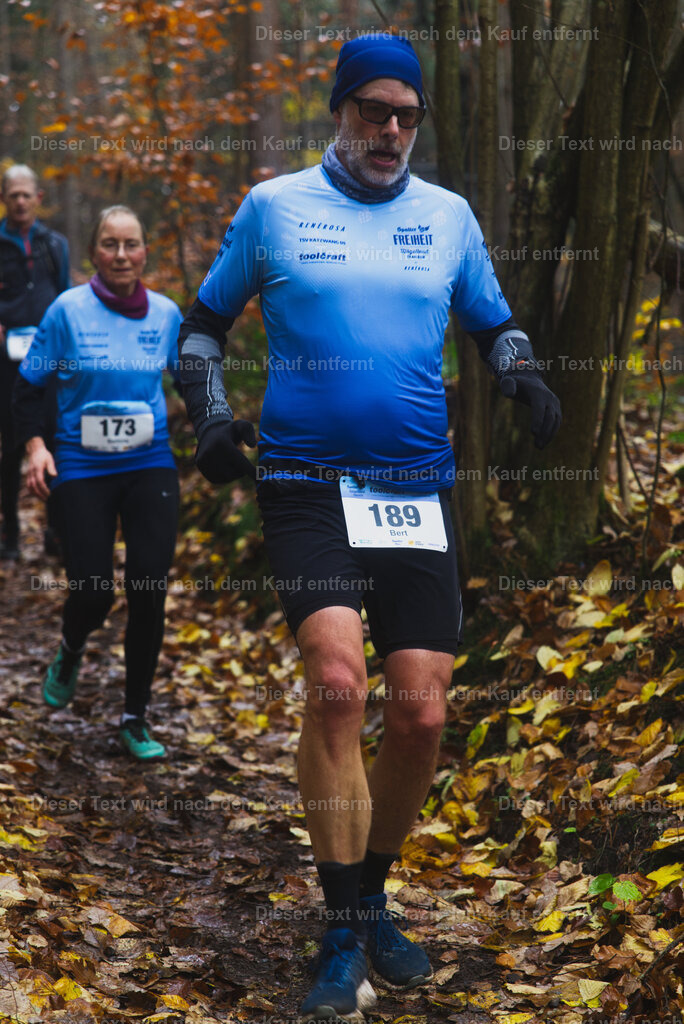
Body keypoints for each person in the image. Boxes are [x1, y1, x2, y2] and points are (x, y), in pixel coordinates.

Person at [178, 33, 561, 1021]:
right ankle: (342, 923)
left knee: (424, 711)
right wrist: (212, 416)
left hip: (414, 490)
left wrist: (518, 368)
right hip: (307, 482)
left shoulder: (449, 218)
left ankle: (373, 889)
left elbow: (491, 318)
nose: (391, 129)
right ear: (339, 111)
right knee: (341, 688)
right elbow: (200, 328)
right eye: (374, 110)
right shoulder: (274, 208)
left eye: (407, 115)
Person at [13, 205, 182, 760]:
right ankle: (70, 645)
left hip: (148, 461)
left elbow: (195, 380)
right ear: (94, 252)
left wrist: (218, 431)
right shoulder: (66, 311)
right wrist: (37, 448)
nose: (121, 255)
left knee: (149, 589)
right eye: (110, 244)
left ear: (145, 251)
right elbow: (30, 387)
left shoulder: (165, 314)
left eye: (131, 244)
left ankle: (135, 716)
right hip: (82, 465)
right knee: (92, 590)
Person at [0, 164, 69, 560]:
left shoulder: (54, 245)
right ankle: (10, 533)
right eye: (14, 195)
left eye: (28, 194)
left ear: (38, 198)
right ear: (5, 200)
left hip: (50, 361)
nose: (22, 201)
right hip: (6, 365)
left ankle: (55, 533)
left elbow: (66, 299)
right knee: (11, 447)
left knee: (55, 440)